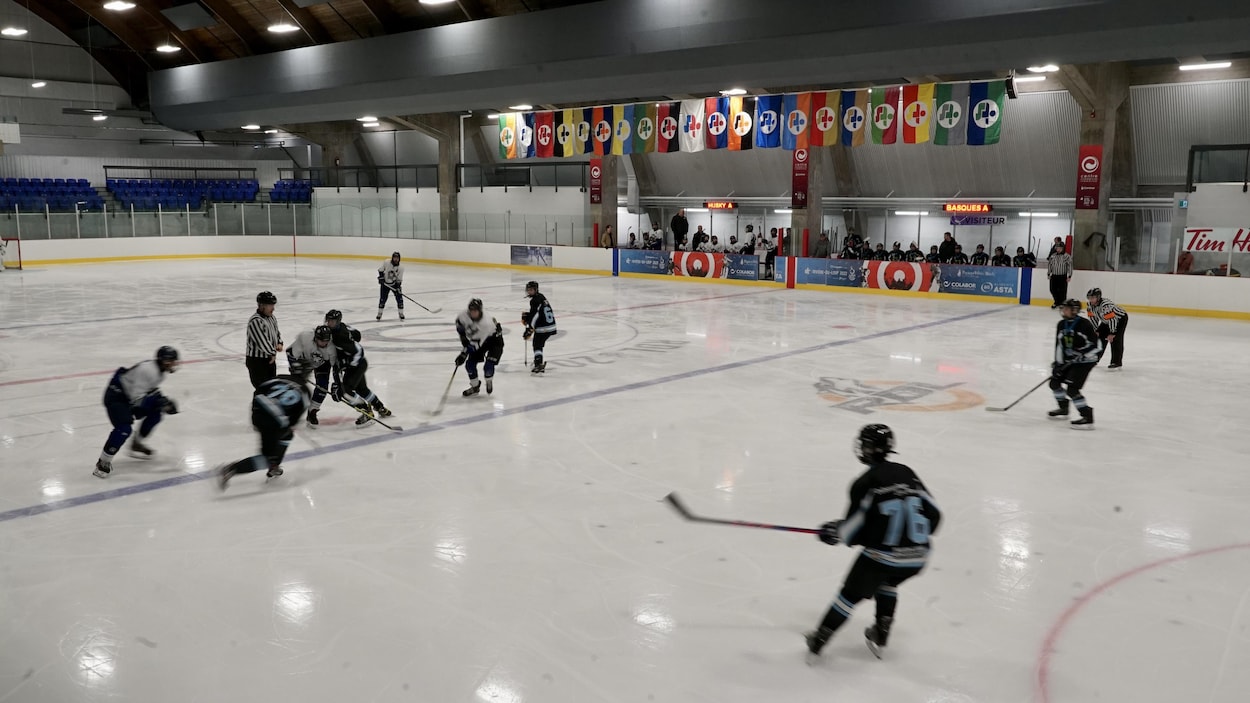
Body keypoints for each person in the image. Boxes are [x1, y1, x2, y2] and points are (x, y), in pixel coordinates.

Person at [805, 424, 942, 660]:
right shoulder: (907, 472)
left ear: (870, 449)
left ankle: (819, 640)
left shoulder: (865, 482)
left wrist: (834, 531)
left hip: (883, 558)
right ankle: (881, 631)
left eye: (865, 444)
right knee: (887, 581)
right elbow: (935, 515)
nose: (861, 448)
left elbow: (852, 532)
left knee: (849, 596)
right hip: (918, 557)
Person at [94, 346, 180, 478]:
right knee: (124, 429)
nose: (174, 364)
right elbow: (136, 399)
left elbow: (148, 390)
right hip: (116, 396)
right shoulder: (148, 370)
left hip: (128, 396)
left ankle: (136, 443)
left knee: (156, 413)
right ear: (163, 360)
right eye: (171, 361)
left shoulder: (160, 372)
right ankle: (103, 462)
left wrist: (163, 402)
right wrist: (159, 402)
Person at [217, 375, 310, 489]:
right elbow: (293, 420)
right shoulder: (306, 392)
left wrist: (256, 411)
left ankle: (274, 464)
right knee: (266, 457)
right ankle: (230, 469)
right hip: (273, 420)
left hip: (258, 410)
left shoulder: (281, 377)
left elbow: (259, 389)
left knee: (287, 435)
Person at [323, 309, 392, 425]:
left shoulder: (340, 336)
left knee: (345, 391)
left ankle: (366, 410)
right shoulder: (340, 328)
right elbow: (357, 334)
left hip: (357, 365)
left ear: (338, 322)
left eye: (332, 321)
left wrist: (349, 365)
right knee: (362, 389)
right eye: (328, 320)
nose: (329, 323)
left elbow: (358, 350)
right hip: (357, 364)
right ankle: (380, 407)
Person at [1049, 299, 1101, 428]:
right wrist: (1058, 364)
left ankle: (1087, 416)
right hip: (1069, 360)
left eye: (1067, 309)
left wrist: (1080, 354)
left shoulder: (1084, 325)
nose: (1063, 311)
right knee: (1054, 383)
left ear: (1075, 310)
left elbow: (1097, 346)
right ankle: (1064, 408)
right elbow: (1059, 346)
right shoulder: (1061, 324)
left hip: (1085, 362)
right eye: (1063, 308)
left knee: (1072, 390)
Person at [286, 324, 337, 426]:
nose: (324, 343)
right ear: (315, 338)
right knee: (296, 386)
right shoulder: (305, 337)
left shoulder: (331, 348)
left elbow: (335, 367)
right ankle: (290, 409)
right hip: (304, 360)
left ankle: (312, 412)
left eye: (326, 341)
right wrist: (294, 365)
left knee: (322, 387)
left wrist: (337, 384)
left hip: (322, 363)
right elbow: (290, 352)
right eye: (322, 341)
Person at [456, 298, 505, 396]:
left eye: (475, 311)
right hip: (479, 339)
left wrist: (463, 354)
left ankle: (488, 379)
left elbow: (475, 344)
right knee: (469, 364)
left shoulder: (485, 323)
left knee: (488, 366)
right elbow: (459, 323)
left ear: (480, 310)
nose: (473, 313)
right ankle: (475, 387)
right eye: (471, 310)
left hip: (494, 340)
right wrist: (462, 336)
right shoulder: (463, 315)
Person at [246, 291, 283, 390]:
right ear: (262, 305)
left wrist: (279, 342)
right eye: (270, 305)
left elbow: (276, 332)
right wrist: (272, 353)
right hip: (257, 362)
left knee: (271, 390)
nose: (273, 308)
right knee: (263, 389)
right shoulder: (256, 321)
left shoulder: (272, 318)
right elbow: (262, 343)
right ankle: (257, 405)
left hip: (269, 360)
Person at [1086, 287, 1128, 370]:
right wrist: (1095, 330)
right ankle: (1095, 358)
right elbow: (1093, 319)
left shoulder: (1106, 305)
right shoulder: (1090, 305)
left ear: (1098, 297)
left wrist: (1113, 333)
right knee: (1099, 338)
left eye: (1093, 298)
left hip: (1119, 319)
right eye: (1089, 298)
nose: (1091, 300)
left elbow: (1113, 319)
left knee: (1115, 340)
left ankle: (1116, 362)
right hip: (1106, 320)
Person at [522, 281, 557, 374]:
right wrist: (529, 316)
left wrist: (529, 328)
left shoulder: (534, 301)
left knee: (537, 344)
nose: (529, 292)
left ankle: (538, 364)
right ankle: (538, 361)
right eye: (528, 290)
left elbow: (536, 316)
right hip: (551, 325)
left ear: (536, 290)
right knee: (538, 344)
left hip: (543, 327)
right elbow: (539, 312)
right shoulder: (541, 297)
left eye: (531, 290)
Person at [377, 251, 405, 321]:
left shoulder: (401, 268)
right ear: (392, 258)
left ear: (399, 259)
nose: (395, 259)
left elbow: (399, 279)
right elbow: (381, 270)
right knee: (383, 299)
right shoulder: (386, 262)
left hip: (394, 284)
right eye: (394, 257)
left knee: (400, 299)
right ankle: (379, 313)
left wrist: (398, 287)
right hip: (385, 284)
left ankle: (401, 313)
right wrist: (381, 278)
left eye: (397, 258)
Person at [1046, 242, 1073, 308]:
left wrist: (1069, 275)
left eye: (1060, 248)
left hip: (1062, 276)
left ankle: (1062, 303)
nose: (1058, 249)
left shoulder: (1067, 256)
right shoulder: (1053, 256)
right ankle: (1057, 301)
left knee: (1062, 291)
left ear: (1063, 248)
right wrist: (1049, 273)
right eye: (1057, 248)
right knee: (1052, 289)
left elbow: (1070, 266)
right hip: (1054, 276)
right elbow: (1050, 265)